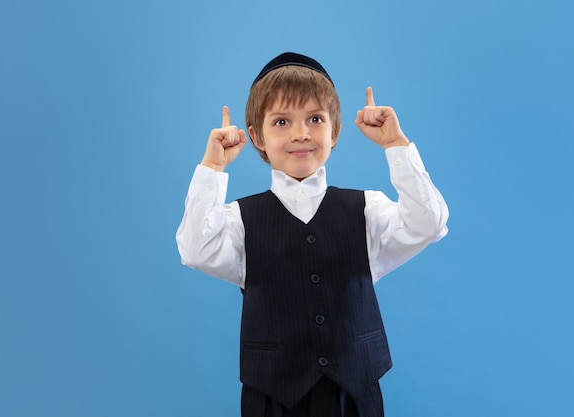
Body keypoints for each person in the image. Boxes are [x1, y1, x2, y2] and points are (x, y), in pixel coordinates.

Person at [176, 52, 449, 417]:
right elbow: (195, 250)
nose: (300, 133)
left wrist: (395, 145)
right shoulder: (240, 219)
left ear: (334, 131)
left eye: (315, 119)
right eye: (282, 121)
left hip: (354, 397)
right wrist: (212, 167)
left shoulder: (368, 209)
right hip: (272, 400)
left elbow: (429, 223)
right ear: (256, 136)